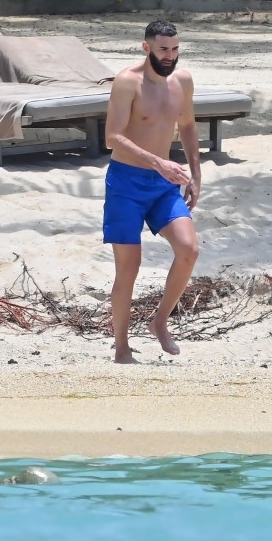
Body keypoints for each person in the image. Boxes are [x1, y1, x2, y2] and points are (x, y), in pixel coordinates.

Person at [103, 19, 201, 363]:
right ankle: (121, 347)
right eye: (163, 49)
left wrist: (196, 174)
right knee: (129, 268)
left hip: (164, 184)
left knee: (188, 249)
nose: (170, 56)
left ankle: (160, 321)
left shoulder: (183, 80)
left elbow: (187, 125)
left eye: (175, 49)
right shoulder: (127, 82)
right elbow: (112, 137)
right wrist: (157, 162)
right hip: (126, 182)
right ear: (146, 47)